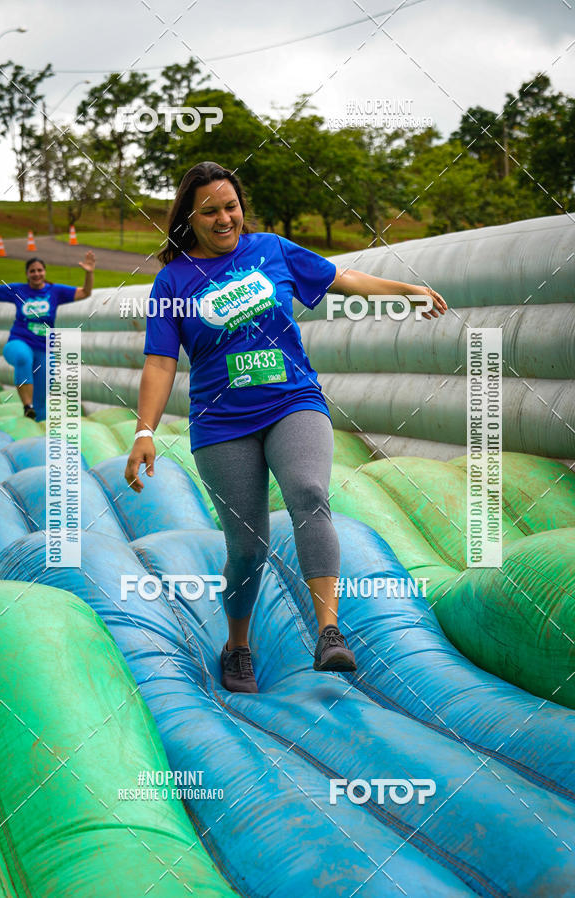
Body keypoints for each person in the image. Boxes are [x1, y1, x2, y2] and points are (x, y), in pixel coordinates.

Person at [124, 161, 447, 694]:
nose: (225, 218)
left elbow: (343, 278)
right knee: (249, 546)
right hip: (221, 423)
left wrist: (404, 290)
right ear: (189, 218)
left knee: (310, 492)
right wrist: (144, 432)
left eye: (232, 206)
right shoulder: (173, 280)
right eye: (210, 211)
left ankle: (328, 632)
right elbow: (160, 362)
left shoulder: (271, 249)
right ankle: (238, 645)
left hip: (292, 400)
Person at [0, 252, 96, 420]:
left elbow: (85, 293)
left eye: (40, 270)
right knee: (24, 357)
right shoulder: (18, 290)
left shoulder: (55, 291)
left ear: (44, 272)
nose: (36, 274)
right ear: (27, 274)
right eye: (32, 271)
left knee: (42, 399)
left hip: (44, 349)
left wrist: (89, 272)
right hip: (18, 342)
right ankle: (27, 405)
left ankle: (37, 423)